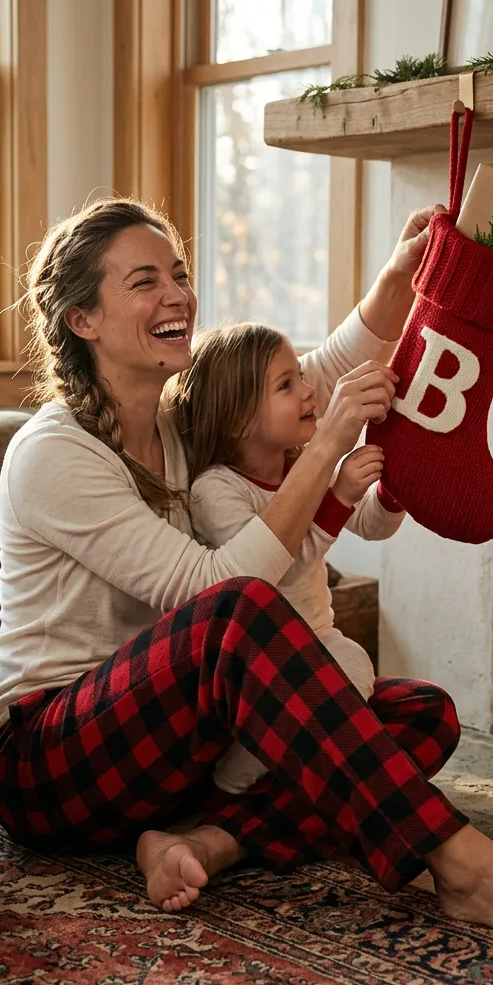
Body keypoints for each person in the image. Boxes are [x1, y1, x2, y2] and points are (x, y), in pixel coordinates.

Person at [0, 197, 493, 945]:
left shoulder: (172, 422)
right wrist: (325, 457)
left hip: (172, 752)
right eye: (144, 281)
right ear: (82, 320)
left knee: (418, 716)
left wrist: (395, 285)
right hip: (51, 760)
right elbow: (208, 592)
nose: (176, 295)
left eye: (179, 274)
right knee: (238, 612)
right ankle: (461, 863)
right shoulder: (53, 454)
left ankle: (204, 842)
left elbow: (304, 379)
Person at [171, 321, 405, 795]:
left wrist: (397, 488)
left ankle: (291, 781)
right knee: (352, 679)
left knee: (359, 673)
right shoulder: (216, 490)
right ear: (239, 420)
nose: (308, 391)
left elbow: (373, 526)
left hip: (317, 637)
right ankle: (230, 787)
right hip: (261, 660)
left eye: (300, 375)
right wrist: (335, 496)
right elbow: (270, 575)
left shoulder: (302, 465)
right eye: (286, 385)